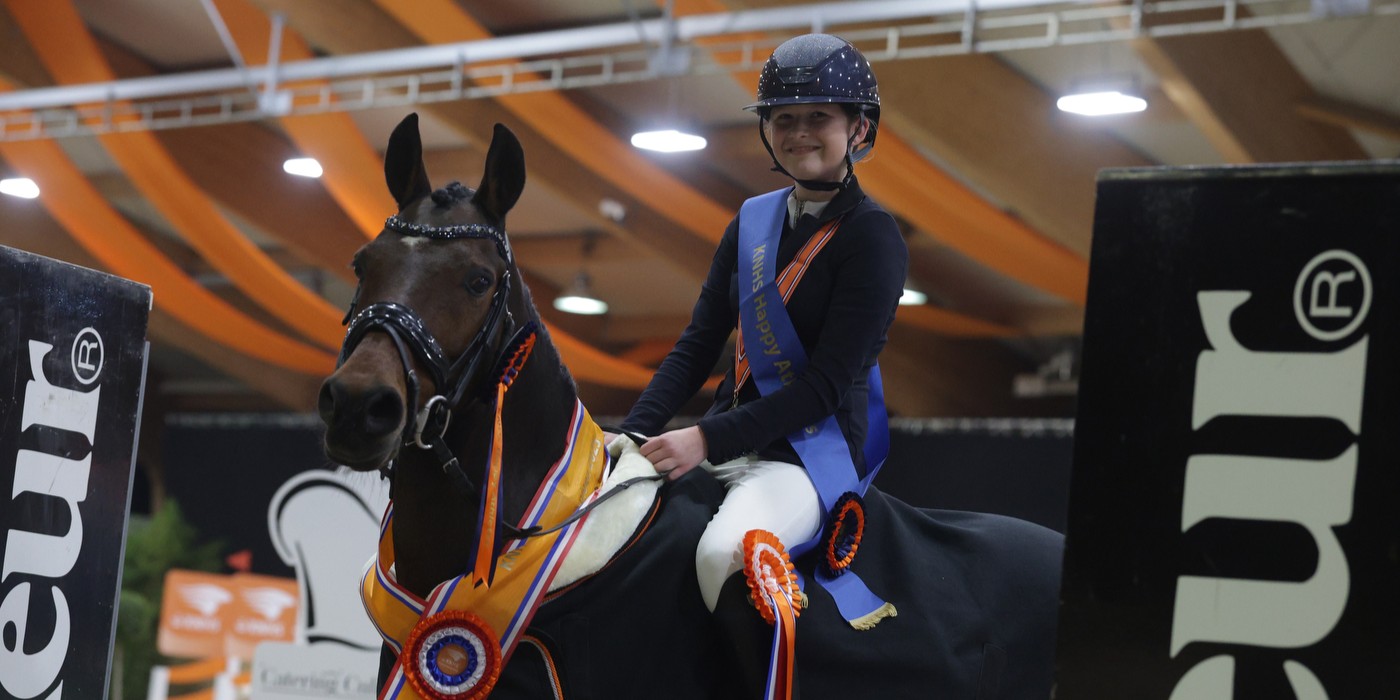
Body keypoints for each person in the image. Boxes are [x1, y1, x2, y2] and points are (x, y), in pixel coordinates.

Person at [616, 33, 908, 697]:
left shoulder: (873, 236)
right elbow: (698, 344)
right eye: (784, 119)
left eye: (818, 118)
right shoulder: (750, 222)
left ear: (858, 128)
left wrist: (703, 439)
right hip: (727, 440)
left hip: (806, 457)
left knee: (725, 553)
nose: (799, 133)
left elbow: (824, 387)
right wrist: (635, 432)